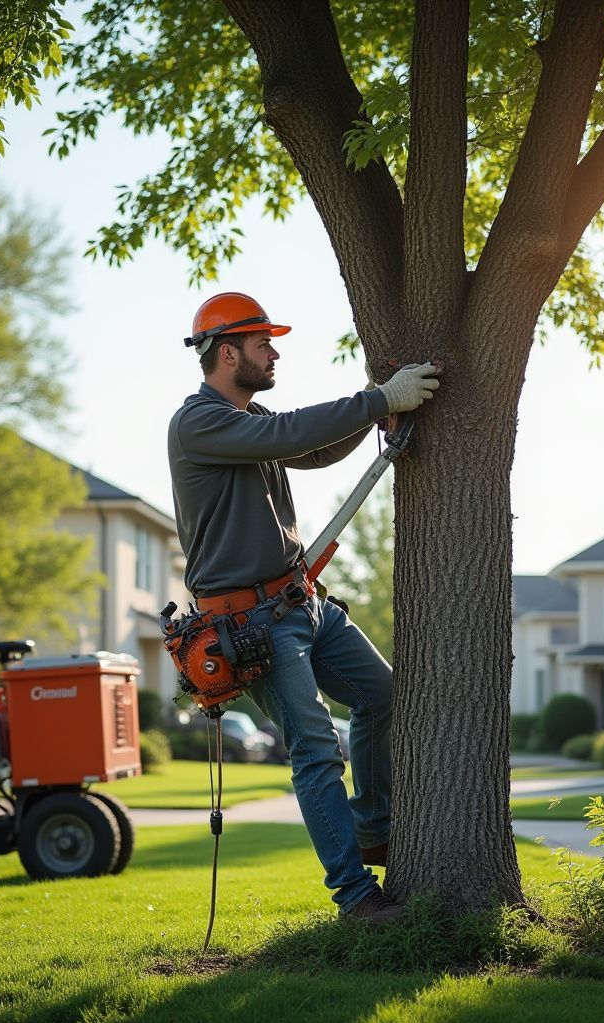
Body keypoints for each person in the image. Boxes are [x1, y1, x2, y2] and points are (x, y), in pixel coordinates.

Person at [167, 291, 440, 923]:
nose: (274, 352)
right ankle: (354, 897)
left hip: (302, 602)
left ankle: (373, 827)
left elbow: (311, 448)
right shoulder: (199, 423)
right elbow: (292, 432)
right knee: (315, 747)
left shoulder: (248, 422)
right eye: (263, 343)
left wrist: (376, 408)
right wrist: (380, 399)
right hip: (248, 623)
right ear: (227, 351)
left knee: (383, 694)